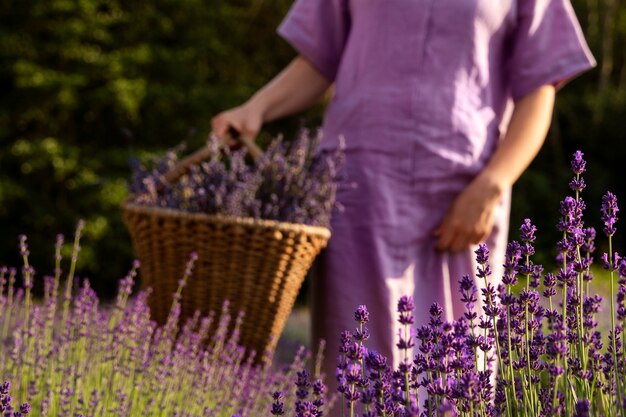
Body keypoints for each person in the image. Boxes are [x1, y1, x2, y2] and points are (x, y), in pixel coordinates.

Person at [211, 0, 595, 404]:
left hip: (463, 199)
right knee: (355, 379)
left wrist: (494, 183)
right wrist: (257, 106)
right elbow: (319, 60)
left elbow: (539, 90)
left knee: (460, 377)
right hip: (357, 192)